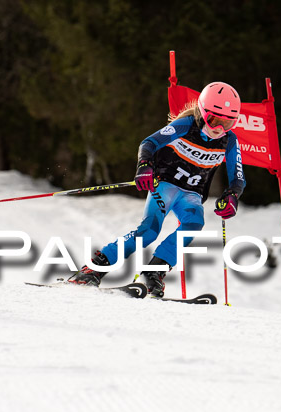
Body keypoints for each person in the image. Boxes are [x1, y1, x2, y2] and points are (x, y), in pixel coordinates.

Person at [68, 82, 246, 297]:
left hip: (191, 194)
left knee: (194, 224)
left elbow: (238, 177)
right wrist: (144, 166)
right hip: (165, 185)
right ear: (202, 111)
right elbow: (148, 144)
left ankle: (155, 271)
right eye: (214, 120)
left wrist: (232, 195)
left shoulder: (229, 141)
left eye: (228, 123)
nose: (219, 129)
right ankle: (93, 269)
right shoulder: (185, 125)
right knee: (149, 231)